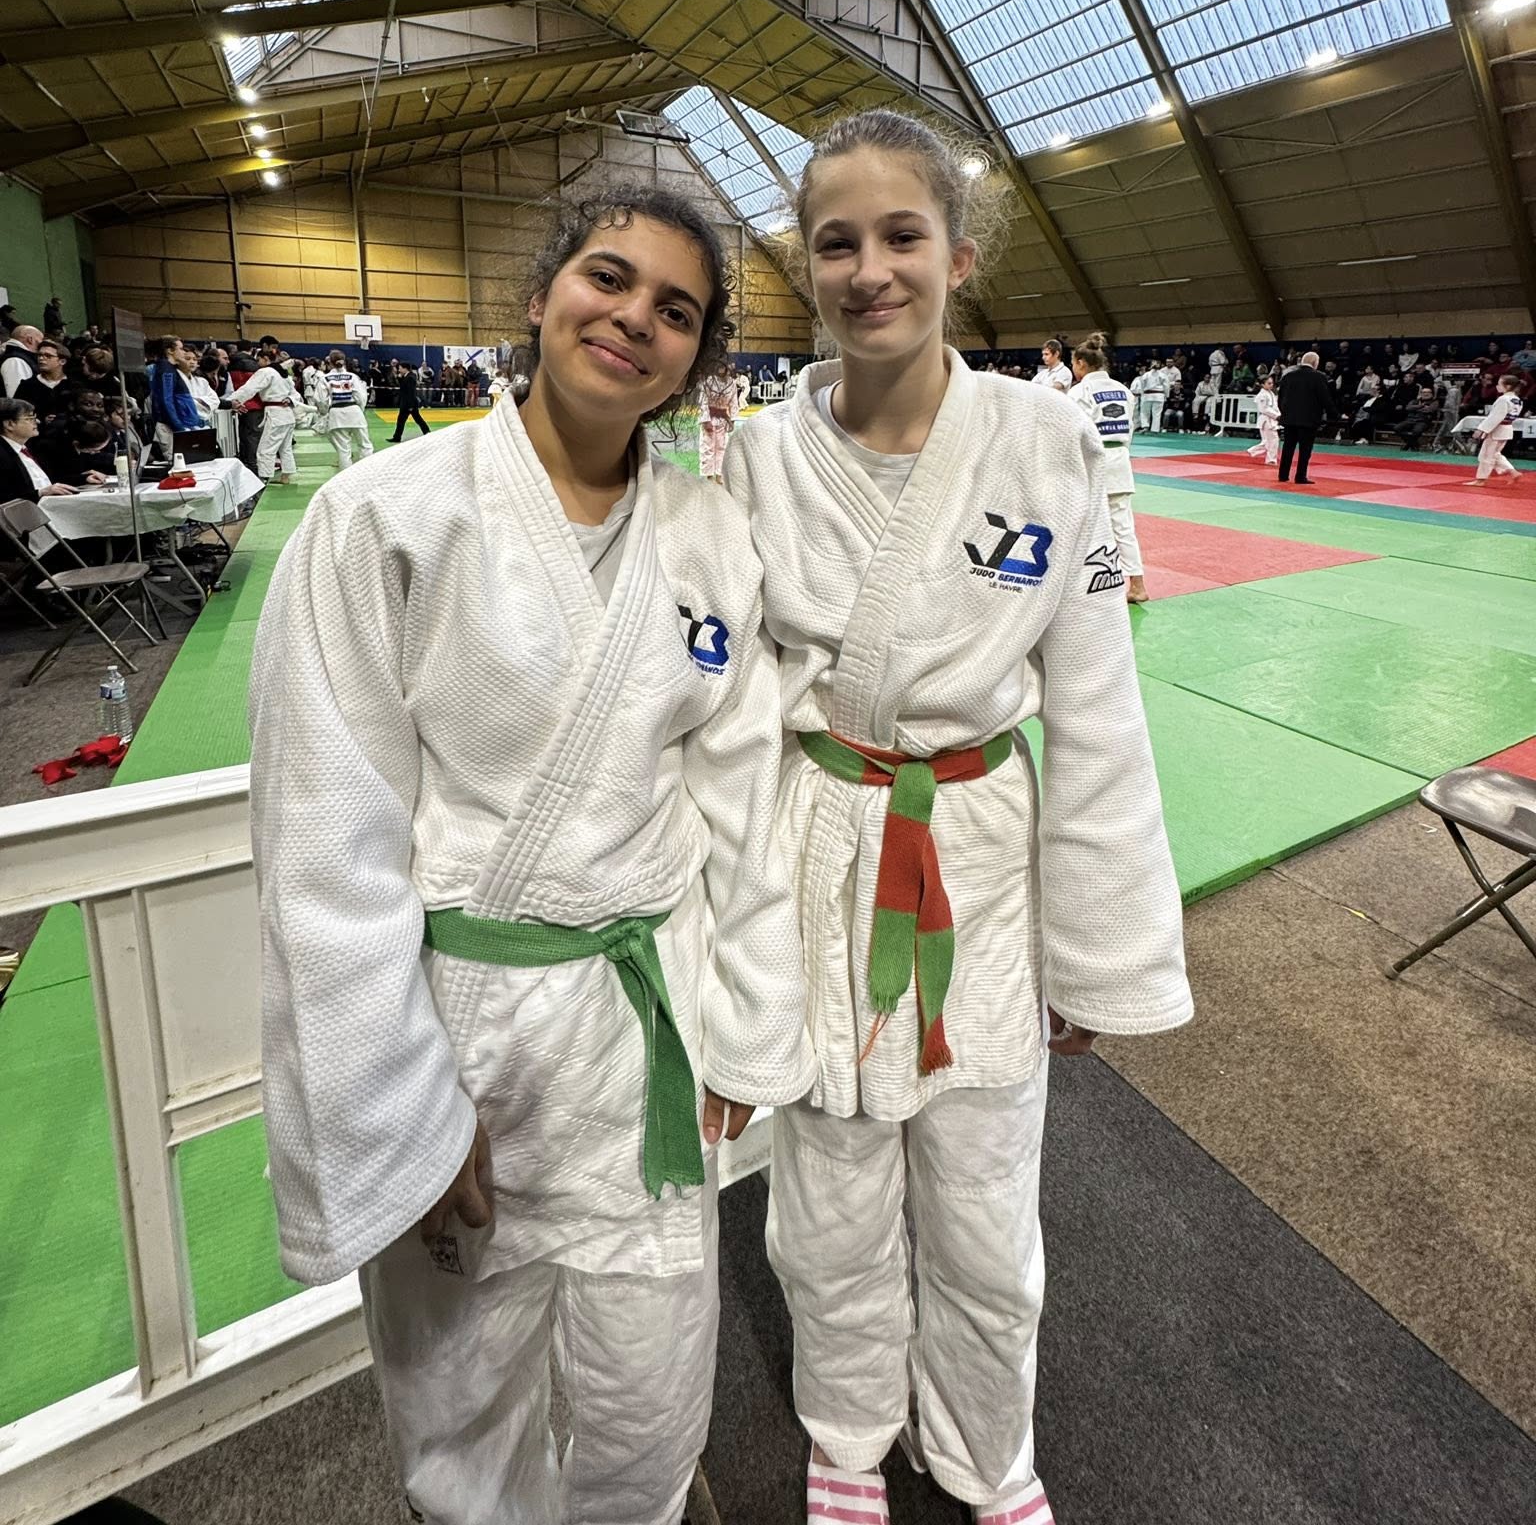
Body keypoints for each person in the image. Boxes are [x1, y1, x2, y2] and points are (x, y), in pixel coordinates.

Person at [248, 182, 812, 1525]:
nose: (634, 321)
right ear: (541, 294)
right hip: (462, 1029)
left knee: (650, 1386)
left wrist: (741, 1026)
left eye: (677, 312)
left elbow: (742, 802)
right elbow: (327, 838)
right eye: (608, 279)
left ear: (698, 361)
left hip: (639, 1018)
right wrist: (402, 1114)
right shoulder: (388, 515)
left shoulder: (711, 539)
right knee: (463, 1400)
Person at [724, 111, 1190, 1525]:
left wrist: (1102, 951)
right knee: (830, 1194)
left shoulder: (1046, 442)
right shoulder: (754, 457)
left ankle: (990, 1449)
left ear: (960, 255)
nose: (871, 269)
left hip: (983, 858)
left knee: (987, 1200)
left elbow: (1099, 710)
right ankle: (850, 1433)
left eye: (902, 235)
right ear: (806, 268)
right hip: (824, 845)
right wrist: (727, 957)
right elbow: (733, 731)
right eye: (837, 242)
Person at [1069, 331, 1147, 603]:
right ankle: (1137, 584)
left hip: (1092, 462)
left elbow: (1076, 432)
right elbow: (1131, 429)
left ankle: (1078, 583)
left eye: (1073, 363)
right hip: (1120, 459)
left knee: (1078, 524)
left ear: (1080, 363)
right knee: (1123, 526)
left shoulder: (1079, 392)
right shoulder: (1125, 391)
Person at [230, 352, 302, 483]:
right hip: (287, 414)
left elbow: (249, 388)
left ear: (266, 359)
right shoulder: (284, 375)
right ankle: (286, 475)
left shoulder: (266, 372)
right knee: (285, 448)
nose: (257, 363)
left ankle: (265, 477)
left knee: (266, 449)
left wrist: (231, 401)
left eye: (259, 360)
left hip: (275, 414)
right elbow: (296, 395)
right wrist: (290, 399)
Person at [308, 349, 374, 471]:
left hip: (336, 414)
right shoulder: (352, 377)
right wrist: (359, 409)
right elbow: (361, 396)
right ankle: (367, 473)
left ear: (330, 363)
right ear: (344, 362)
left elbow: (320, 400)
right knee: (365, 446)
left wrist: (325, 412)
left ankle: (345, 479)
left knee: (343, 450)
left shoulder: (325, 378)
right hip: (355, 412)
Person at [1277, 350, 1329, 485]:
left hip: (1289, 418)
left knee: (1288, 447)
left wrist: (1284, 412)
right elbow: (1325, 398)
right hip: (1308, 419)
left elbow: (1281, 398)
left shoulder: (1288, 376)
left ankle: (1283, 475)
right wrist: (1335, 414)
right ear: (1315, 363)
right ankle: (1300, 476)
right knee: (1305, 449)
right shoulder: (1319, 377)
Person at [1468, 374, 1525, 487]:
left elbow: (1495, 417)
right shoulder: (1517, 400)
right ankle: (1513, 472)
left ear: (1507, 386)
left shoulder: (1503, 399)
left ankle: (1481, 480)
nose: (1497, 386)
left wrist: (1481, 430)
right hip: (1506, 429)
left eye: (1499, 384)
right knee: (1494, 454)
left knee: (1486, 456)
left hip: (1497, 430)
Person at [696, 364, 741, 483]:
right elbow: (703, 401)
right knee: (708, 447)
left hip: (723, 418)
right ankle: (708, 475)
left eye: (724, 367)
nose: (722, 369)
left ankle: (719, 474)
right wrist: (705, 419)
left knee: (722, 446)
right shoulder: (709, 381)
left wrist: (732, 419)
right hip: (710, 417)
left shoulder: (731, 383)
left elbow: (733, 402)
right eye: (719, 367)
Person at [390, 359, 432, 443]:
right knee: (407, 420)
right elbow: (403, 387)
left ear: (405, 369)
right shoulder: (407, 376)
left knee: (415, 420)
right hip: (407, 403)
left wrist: (410, 406)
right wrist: (400, 378)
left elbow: (410, 392)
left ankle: (427, 433)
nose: (399, 370)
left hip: (409, 403)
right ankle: (397, 437)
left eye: (400, 368)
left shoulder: (411, 377)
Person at [1, 324, 43, 399]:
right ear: (30, 339)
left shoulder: (19, 358)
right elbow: (16, 397)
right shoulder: (16, 361)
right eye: (40, 341)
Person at [1247, 374, 1280, 466]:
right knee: (1273, 440)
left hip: (1271, 419)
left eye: (1272, 383)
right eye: (1269, 383)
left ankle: (1254, 451)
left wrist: (1279, 415)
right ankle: (1270, 459)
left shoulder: (1271, 393)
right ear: (1262, 384)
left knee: (1269, 441)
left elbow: (1275, 407)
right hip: (1266, 420)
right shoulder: (1262, 395)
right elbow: (1264, 409)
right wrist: (1276, 416)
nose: (1271, 385)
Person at [1138, 357, 1168, 434]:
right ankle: (1155, 430)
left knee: (1144, 412)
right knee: (1157, 413)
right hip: (1159, 395)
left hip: (1147, 395)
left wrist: (1142, 394)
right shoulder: (1163, 375)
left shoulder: (1146, 375)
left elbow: (1142, 385)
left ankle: (1145, 426)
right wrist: (1166, 395)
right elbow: (1166, 386)